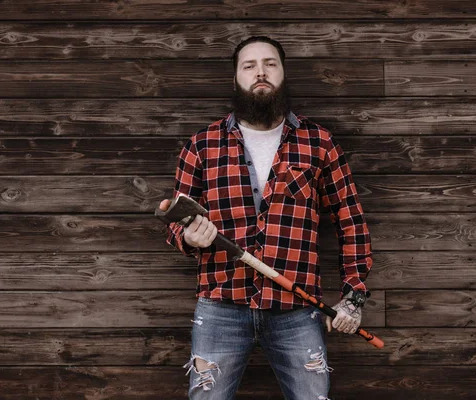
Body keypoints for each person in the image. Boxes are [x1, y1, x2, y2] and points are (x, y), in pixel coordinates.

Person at [159, 36, 373, 400]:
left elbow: (350, 222)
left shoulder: (318, 143)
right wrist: (188, 238)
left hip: (297, 309)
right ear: (236, 79)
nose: (261, 72)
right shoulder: (202, 144)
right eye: (249, 65)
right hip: (220, 307)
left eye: (270, 63)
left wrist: (353, 295)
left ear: (283, 73)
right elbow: (174, 224)